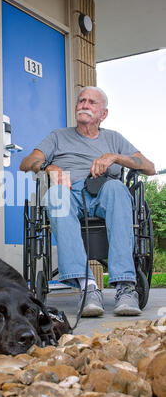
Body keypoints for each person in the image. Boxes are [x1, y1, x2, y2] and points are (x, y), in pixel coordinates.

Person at [20, 86, 156, 317]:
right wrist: (49, 167)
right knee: (54, 195)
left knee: (117, 188)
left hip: (105, 192)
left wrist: (115, 157)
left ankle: (125, 287)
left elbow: (149, 167)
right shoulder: (58, 136)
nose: (84, 104)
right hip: (70, 192)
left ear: (103, 114)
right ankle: (88, 287)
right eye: (81, 100)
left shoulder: (113, 138)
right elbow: (27, 162)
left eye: (91, 102)